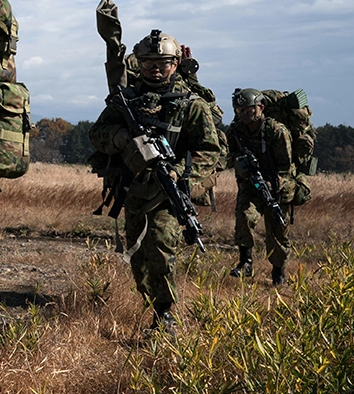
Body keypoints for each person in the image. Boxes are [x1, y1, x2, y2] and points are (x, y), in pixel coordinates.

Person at [88, 30, 222, 331]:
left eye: (163, 62)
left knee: (161, 246)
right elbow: (97, 134)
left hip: (167, 189)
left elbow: (208, 149)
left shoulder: (191, 104)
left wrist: (179, 174)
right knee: (137, 254)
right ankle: (151, 301)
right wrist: (121, 137)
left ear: (175, 64)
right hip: (133, 188)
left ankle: (164, 313)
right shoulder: (126, 99)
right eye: (148, 62)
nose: (155, 68)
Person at [226, 88, 294, 285]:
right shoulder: (235, 131)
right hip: (250, 184)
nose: (244, 115)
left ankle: (278, 272)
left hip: (276, 188)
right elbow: (227, 156)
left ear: (260, 107)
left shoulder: (276, 131)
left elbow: (286, 167)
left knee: (277, 230)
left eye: (248, 110)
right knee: (244, 216)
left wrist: (273, 184)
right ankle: (245, 262)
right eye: (239, 111)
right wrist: (238, 161)